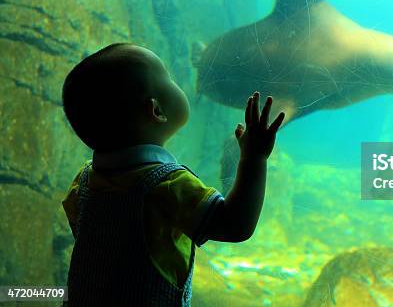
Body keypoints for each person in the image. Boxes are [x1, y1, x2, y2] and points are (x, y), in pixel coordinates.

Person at [60, 42, 284, 306]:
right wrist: (254, 158)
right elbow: (235, 225)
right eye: (167, 77)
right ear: (157, 111)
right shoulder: (167, 186)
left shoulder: (84, 182)